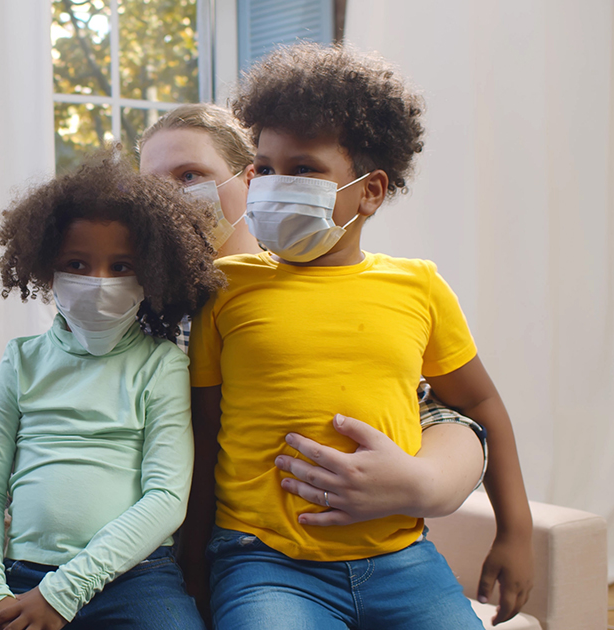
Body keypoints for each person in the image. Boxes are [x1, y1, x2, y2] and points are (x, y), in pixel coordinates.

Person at [184, 43, 533, 628]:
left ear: (370, 190)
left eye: (303, 169)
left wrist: (515, 531)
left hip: (403, 560)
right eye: (264, 169)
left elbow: (478, 403)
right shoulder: (225, 287)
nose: (274, 184)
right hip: (266, 564)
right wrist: (192, 563)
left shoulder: (418, 286)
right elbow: (203, 427)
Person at [138, 102, 495, 610]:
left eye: (190, 175)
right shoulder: (129, 320)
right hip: (235, 564)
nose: (170, 199)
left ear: (246, 182)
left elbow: (442, 413)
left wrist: (430, 482)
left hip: (382, 557)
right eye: (152, 185)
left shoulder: (378, 290)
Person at [0, 154, 222, 630]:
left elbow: (166, 497)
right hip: (24, 577)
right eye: (76, 264)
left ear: (152, 273)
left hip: (137, 579)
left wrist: (66, 591)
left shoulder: (162, 365)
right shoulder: (20, 361)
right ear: (46, 269)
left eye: (121, 266)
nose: (99, 284)